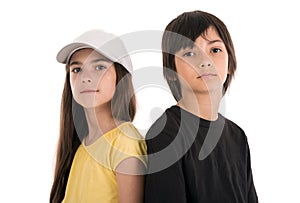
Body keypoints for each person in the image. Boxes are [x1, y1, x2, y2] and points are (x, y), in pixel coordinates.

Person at [144, 10, 258, 202]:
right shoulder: (166, 132)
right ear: (171, 71)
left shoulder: (237, 135)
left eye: (215, 50)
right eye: (189, 53)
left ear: (229, 64)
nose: (204, 61)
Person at [50, 29, 147, 203]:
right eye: (77, 69)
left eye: (99, 67)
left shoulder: (124, 143)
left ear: (120, 76)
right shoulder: (80, 144)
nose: (86, 77)